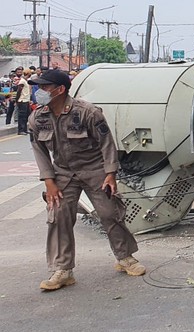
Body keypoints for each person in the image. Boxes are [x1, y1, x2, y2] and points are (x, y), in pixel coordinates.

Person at [27, 69, 145, 291]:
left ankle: (125, 257)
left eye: (44, 87)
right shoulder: (38, 118)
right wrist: (49, 181)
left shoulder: (87, 112)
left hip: (95, 169)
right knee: (58, 216)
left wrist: (110, 174)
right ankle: (62, 270)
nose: (39, 92)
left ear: (60, 89)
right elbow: (39, 151)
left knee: (110, 213)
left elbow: (107, 142)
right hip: (62, 173)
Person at [16, 69, 32, 134]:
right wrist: (17, 100)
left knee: (26, 115)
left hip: (26, 100)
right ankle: (21, 130)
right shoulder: (22, 81)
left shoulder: (26, 81)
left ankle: (25, 129)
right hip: (22, 100)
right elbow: (19, 91)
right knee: (22, 116)